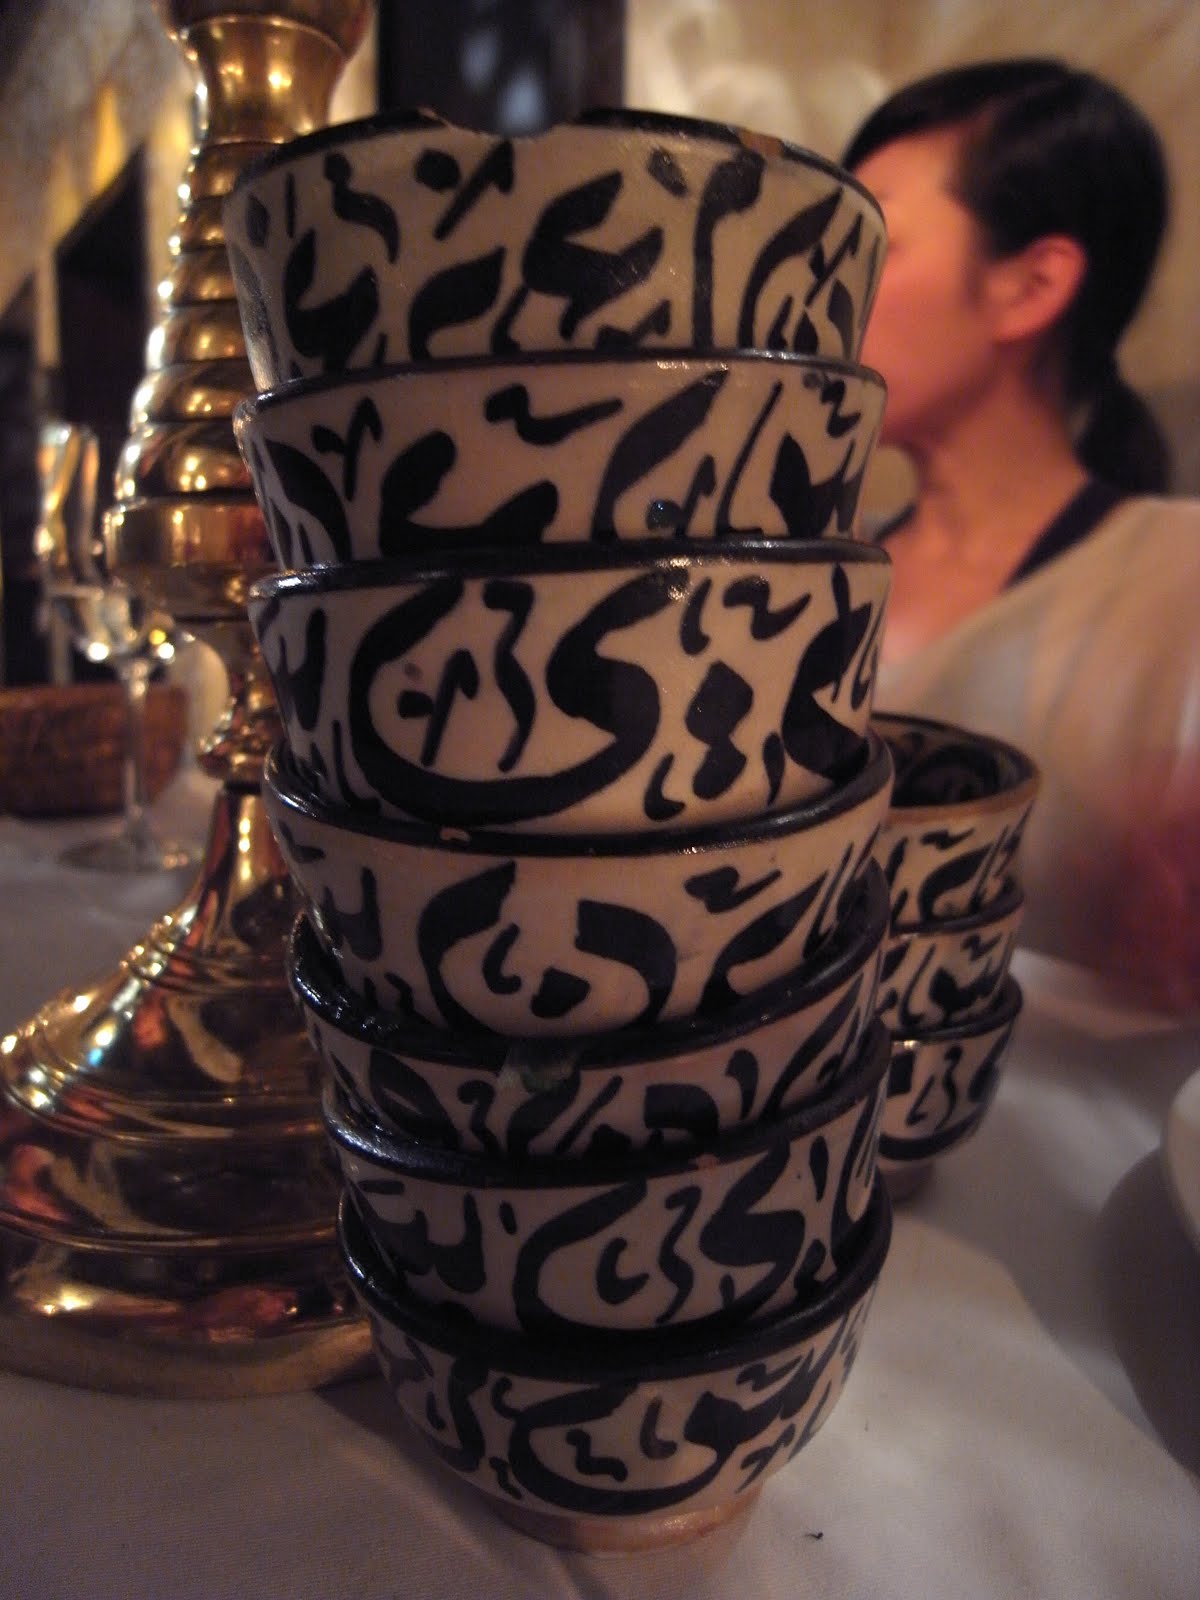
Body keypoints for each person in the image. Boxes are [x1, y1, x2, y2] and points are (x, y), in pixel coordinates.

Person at [841, 59, 1200, 1013]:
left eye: (866, 244)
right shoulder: (813, 581)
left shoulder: (1178, 578)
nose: (818, 294)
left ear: (1031, 285)